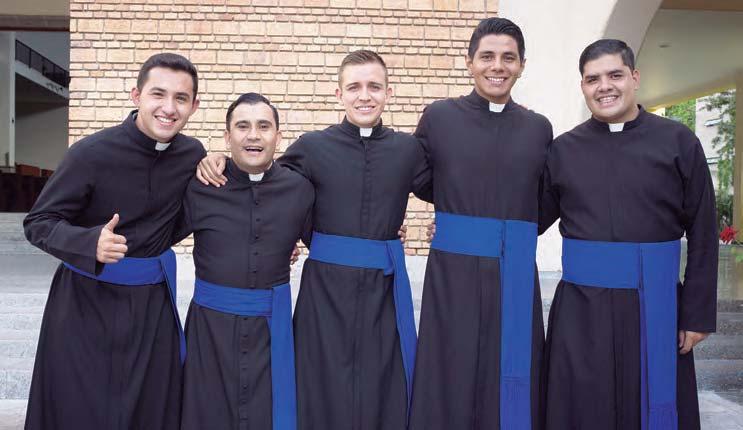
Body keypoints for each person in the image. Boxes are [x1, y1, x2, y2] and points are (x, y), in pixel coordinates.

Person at [197, 50, 431, 429]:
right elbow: (267, 181)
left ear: (389, 92)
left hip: (383, 292)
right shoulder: (313, 146)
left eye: (374, 87)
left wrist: (438, 228)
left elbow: (445, 189)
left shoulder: (408, 150)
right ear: (339, 94)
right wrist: (218, 159)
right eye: (354, 87)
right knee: (319, 385)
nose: (364, 96)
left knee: (383, 385)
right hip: (325, 293)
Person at [539, 39, 717, 430]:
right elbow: (529, 218)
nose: (604, 86)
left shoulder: (678, 142)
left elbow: (704, 231)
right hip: (581, 309)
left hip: (656, 304)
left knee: (649, 405)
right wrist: (459, 220)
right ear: (583, 86)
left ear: (634, 77)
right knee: (584, 408)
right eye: (593, 79)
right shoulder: (563, 150)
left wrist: (697, 313)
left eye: (615, 75)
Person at [23, 53, 205, 430]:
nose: (169, 108)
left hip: (152, 308)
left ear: (194, 106)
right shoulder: (90, 153)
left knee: (150, 409)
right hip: (86, 305)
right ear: (136, 96)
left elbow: (204, 209)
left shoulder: (192, 155)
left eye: (181, 98)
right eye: (158, 94)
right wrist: (88, 242)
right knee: (82, 410)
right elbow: (38, 222)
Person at [409, 17, 553, 430]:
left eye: (509, 57)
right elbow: (416, 176)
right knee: (450, 367)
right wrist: (460, 219)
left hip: (514, 269)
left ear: (522, 65)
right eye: (487, 56)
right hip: (453, 270)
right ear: (469, 62)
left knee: (509, 370)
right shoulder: (439, 117)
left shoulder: (538, 128)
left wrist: (506, 236)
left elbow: (547, 196)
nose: (497, 66)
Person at [177, 93, 313, 430]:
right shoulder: (200, 185)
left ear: (278, 136)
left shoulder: (300, 189)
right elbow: (155, 233)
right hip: (210, 333)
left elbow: (327, 237)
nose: (253, 135)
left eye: (263, 126)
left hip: (271, 332)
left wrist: (387, 233)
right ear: (227, 137)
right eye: (243, 126)